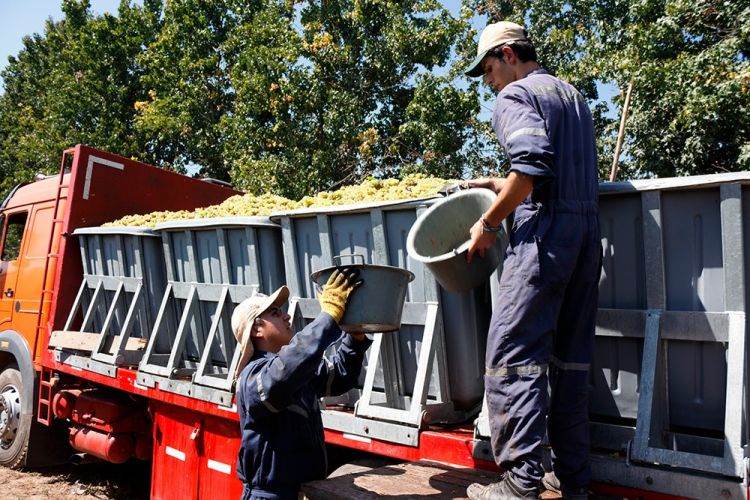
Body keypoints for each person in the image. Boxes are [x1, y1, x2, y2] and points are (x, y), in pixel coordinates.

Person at [462, 21, 602, 500]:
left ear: (508, 54)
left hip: (545, 238)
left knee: (511, 353)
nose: (489, 82)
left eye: (488, 69)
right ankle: (574, 480)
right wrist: (497, 184)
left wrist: (489, 222)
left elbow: (530, 167)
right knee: (570, 360)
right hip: (585, 238)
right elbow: (546, 170)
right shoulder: (572, 96)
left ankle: (521, 483)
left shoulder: (515, 95)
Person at [232, 269, 372, 500]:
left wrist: (354, 337)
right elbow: (284, 372)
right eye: (275, 313)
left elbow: (340, 375)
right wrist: (327, 318)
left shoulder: (295, 371)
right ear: (256, 329)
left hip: (302, 492)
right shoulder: (253, 376)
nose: (287, 317)